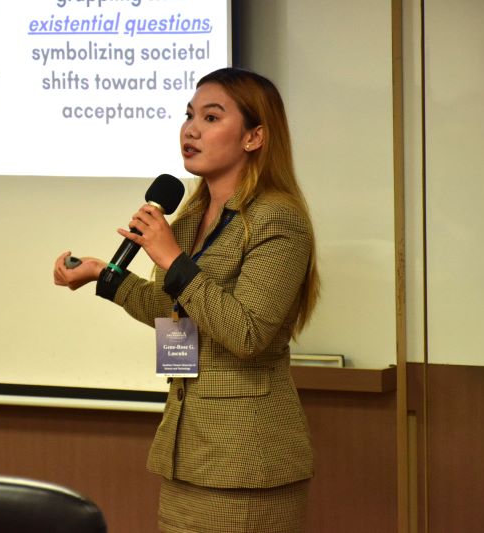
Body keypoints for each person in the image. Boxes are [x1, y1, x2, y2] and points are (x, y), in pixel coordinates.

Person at [53, 67, 320, 533]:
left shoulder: (277, 219)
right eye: (189, 115)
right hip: (187, 451)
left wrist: (174, 260)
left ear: (254, 137)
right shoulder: (190, 217)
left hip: (246, 461)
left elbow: (248, 333)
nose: (191, 129)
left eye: (211, 118)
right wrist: (104, 275)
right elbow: (176, 313)